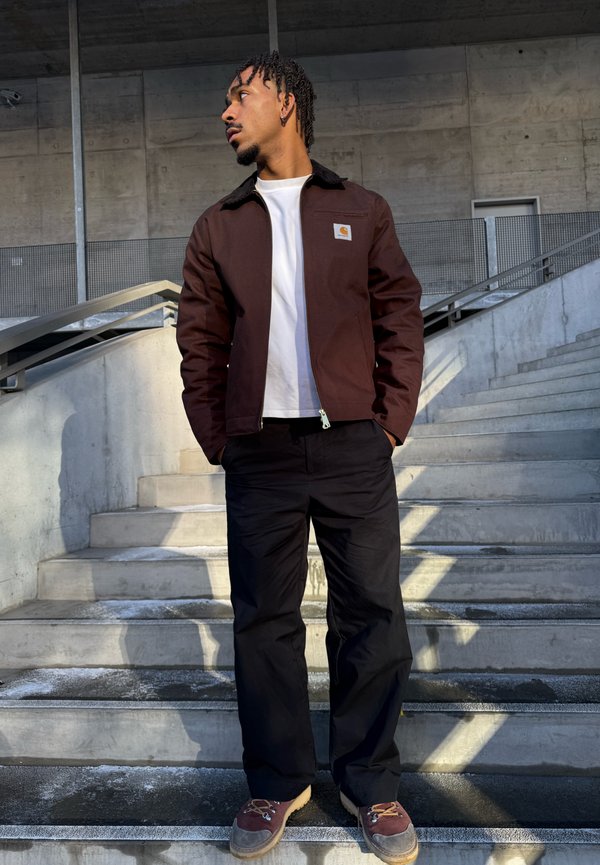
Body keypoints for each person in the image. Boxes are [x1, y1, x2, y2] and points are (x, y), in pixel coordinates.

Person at [176, 51, 424, 865]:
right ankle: (279, 779)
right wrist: (217, 433)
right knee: (265, 622)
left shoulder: (362, 208)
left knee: (373, 615)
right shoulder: (219, 224)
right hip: (262, 452)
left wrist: (390, 418)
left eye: (239, 95)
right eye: (226, 98)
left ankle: (371, 781)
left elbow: (400, 311)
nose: (226, 112)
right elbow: (200, 339)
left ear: (286, 102)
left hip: (353, 441)